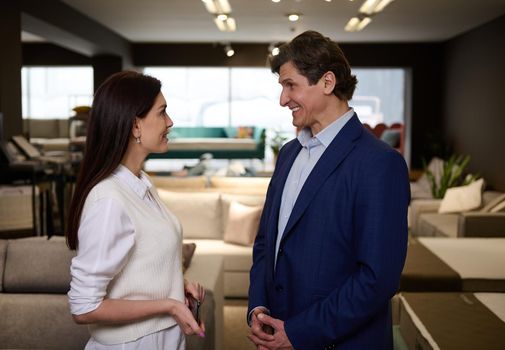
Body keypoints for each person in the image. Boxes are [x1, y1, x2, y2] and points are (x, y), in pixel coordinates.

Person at [247, 30, 410, 350]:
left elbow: (377, 279)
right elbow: (266, 242)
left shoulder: (380, 163)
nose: (282, 100)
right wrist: (259, 306)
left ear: (327, 82)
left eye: (290, 85)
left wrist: (298, 332)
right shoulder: (289, 154)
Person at [66, 71, 205, 350]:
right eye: (162, 112)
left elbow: (141, 264)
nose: (170, 122)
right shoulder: (109, 200)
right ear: (135, 126)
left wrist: (178, 286)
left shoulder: (140, 184)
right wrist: (169, 305)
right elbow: (83, 307)